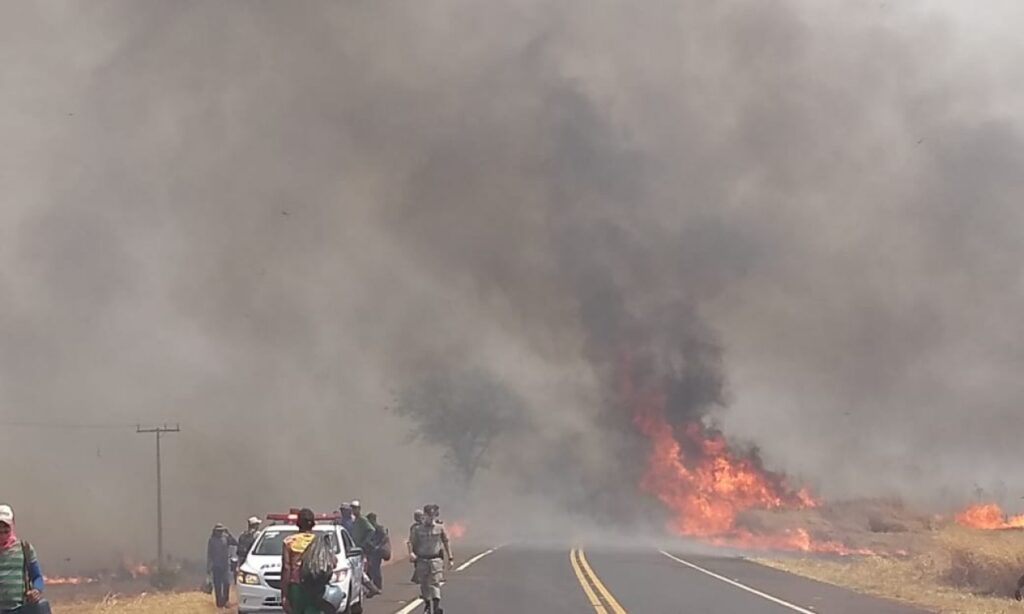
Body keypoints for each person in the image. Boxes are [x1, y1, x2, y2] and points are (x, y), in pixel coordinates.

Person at [281, 508, 332, 614]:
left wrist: (284, 594)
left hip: (296, 586)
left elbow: (286, 568)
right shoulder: (320, 541)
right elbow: (332, 563)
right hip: (315, 586)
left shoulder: (289, 541)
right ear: (313, 524)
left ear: (298, 524)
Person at [0, 505, 45, 614]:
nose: (2, 532)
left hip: (20, 609)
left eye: (5, 527)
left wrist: (36, 590)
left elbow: (37, 577)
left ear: (12, 525)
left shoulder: (25, 548)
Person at [409, 504, 453, 614]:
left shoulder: (440, 528)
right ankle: (427, 604)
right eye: (428, 515)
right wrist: (411, 553)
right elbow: (411, 542)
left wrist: (450, 558)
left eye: (432, 515)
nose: (430, 518)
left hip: (435, 560)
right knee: (424, 584)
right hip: (422, 560)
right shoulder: (418, 529)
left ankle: (436, 607)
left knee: (435, 583)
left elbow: (446, 542)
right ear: (424, 515)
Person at [206, 523, 237, 608]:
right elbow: (209, 554)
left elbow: (235, 543)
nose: (219, 532)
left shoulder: (226, 538)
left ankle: (226, 600)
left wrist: (228, 533)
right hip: (216, 566)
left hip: (225, 565)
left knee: (226, 583)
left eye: (221, 531)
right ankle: (219, 603)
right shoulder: (212, 540)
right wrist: (208, 566)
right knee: (217, 585)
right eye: (218, 531)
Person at [364, 513, 390, 592]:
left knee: (375, 569)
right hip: (370, 551)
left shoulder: (379, 528)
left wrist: (378, 546)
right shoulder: (368, 529)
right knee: (369, 569)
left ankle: (378, 586)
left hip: (377, 552)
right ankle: (371, 587)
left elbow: (385, 538)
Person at [407, 509, 424, 583]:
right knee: (419, 563)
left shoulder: (416, 526)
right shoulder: (415, 527)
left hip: (420, 547)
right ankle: (417, 578)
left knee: (420, 563)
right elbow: (411, 539)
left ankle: (418, 578)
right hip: (418, 547)